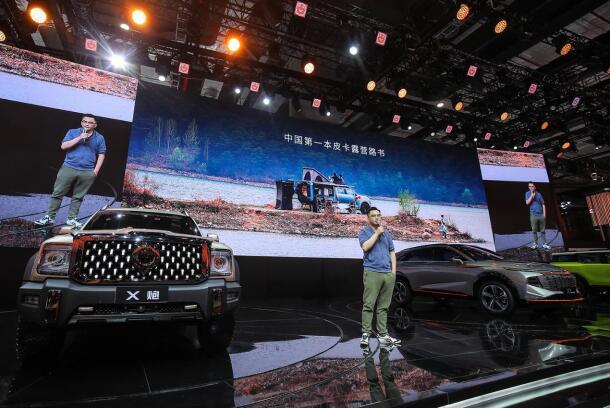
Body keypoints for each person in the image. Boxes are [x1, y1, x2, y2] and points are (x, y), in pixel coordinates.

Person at [35, 114, 106, 228]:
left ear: (95, 125)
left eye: (90, 122)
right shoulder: (73, 132)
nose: (87, 124)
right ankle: (49, 217)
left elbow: (101, 154)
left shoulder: (99, 138)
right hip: (69, 167)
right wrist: (79, 138)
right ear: (81, 122)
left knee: (78, 197)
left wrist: (95, 171)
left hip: (87, 171)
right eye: (84, 121)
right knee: (58, 193)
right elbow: (63, 146)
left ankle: (71, 219)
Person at [358, 207, 401, 347]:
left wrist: (393, 272)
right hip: (372, 272)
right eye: (373, 215)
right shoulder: (364, 232)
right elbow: (365, 247)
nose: (377, 217)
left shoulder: (386, 234)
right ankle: (365, 334)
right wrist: (377, 233)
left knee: (384, 307)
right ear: (368, 218)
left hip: (387, 274)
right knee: (369, 305)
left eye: (379, 215)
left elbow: (392, 252)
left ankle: (383, 335)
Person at [525, 181, 550, 250]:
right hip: (533, 215)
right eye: (529, 186)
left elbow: (543, 204)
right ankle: (535, 244)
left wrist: (544, 215)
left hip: (541, 215)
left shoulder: (539, 194)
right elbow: (527, 203)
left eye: (532, 186)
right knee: (534, 230)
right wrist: (531, 195)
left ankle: (544, 244)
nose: (531, 187)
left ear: (535, 187)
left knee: (542, 230)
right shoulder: (527, 193)